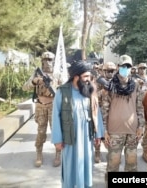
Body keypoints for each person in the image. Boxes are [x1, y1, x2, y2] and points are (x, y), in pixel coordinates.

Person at [51, 60, 104, 188]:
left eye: (89, 76)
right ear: (76, 77)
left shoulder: (89, 90)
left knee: (86, 163)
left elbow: (96, 111)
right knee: (69, 165)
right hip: (70, 137)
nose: (88, 79)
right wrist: (57, 139)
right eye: (85, 76)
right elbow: (55, 116)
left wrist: (98, 133)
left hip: (86, 136)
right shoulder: (62, 92)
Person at [102, 55, 145, 184]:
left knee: (132, 164)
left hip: (132, 131)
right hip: (114, 131)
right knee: (113, 164)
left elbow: (140, 108)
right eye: (123, 66)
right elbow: (104, 110)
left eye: (128, 66)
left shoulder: (137, 85)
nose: (125, 68)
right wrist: (104, 130)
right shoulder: (109, 86)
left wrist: (141, 126)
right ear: (118, 67)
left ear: (131, 68)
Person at [22, 51, 62, 167]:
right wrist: (35, 81)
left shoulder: (57, 74)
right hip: (40, 106)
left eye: (50, 60)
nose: (48, 62)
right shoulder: (37, 73)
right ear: (42, 60)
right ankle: (39, 153)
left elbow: (65, 88)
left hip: (53, 105)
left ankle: (58, 154)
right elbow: (25, 87)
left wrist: (57, 88)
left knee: (56, 131)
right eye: (45, 59)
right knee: (41, 131)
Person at [94, 61, 117, 163]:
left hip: (112, 111)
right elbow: (92, 96)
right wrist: (102, 92)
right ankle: (97, 152)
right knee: (98, 133)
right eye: (108, 71)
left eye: (112, 71)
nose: (110, 73)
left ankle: (111, 152)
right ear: (103, 71)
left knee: (111, 133)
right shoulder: (98, 81)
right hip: (99, 110)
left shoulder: (117, 81)